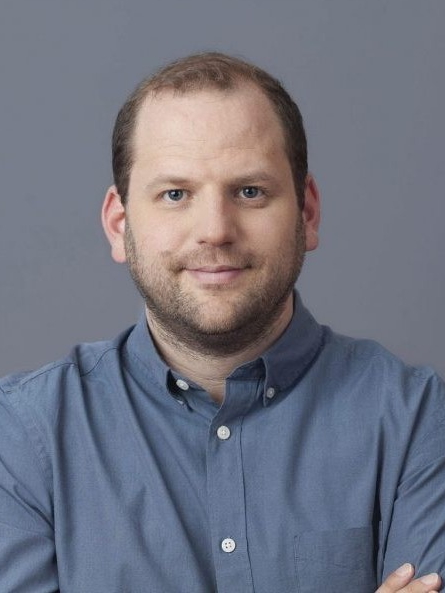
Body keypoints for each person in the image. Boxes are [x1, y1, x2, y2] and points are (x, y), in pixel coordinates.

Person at [0, 52, 444, 593]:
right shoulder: (21, 436)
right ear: (119, 224)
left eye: (250, 191)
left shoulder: (419, 419)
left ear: (307, 213)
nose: (214, 230)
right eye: (175, 194)